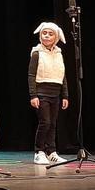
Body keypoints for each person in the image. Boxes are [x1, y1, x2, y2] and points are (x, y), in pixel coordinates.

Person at [29, 22, 69, 165]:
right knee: (44, 122)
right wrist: (33, 95)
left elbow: (62, 75)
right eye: (44, 33)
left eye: (50, 34)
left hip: (55, 93)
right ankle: (39, 151)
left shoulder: (59, 54)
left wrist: (65, 95)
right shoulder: (37, 53)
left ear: (56, 37)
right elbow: (31, 75)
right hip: (41, 93)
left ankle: (51, 152)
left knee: (52, 124)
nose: (46, 36)